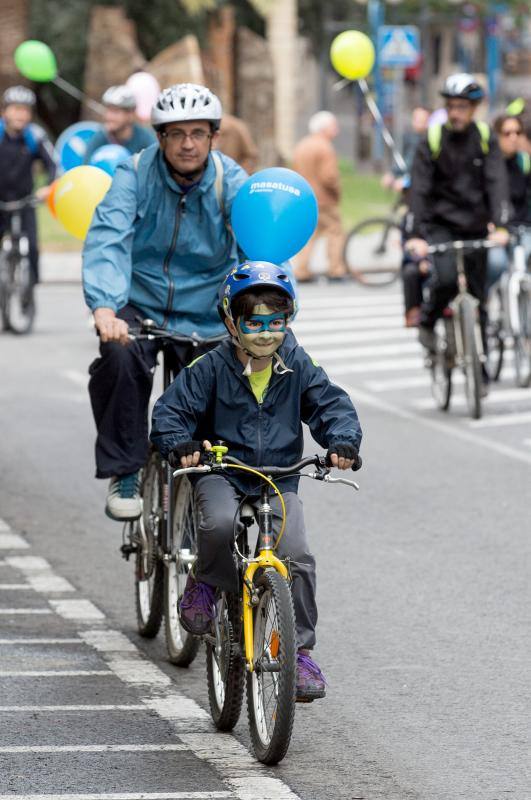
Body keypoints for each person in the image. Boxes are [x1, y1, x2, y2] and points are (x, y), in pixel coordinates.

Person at [150, 263, 363, 701]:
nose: (266, 333)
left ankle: (299, 652)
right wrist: (182, 443)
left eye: (276, 322)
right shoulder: (209, 367)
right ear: (231, 321)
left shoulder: (297, 364)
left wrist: (342, 440)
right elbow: (170, 412)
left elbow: (331, 404)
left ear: (289, 321)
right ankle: (206, 582)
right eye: (254, 323)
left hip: (279, 478)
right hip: (221, 471)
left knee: (297, 553)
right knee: (219, 524)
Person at [82, 83, 249, 521]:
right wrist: (104, 307)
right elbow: (108, 238)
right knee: (119, 360)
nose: (188, 143)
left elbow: (259, 245)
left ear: (213, 137)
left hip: (208, 310)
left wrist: (262, 309)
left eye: (198, 133)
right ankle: (126, 470)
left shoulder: (230, 180)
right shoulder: (133, 173)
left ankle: (224, 481)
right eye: (177, 133)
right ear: (160, 137)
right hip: (140, 303)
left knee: (231, 382)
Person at [405, 73, 510, 362]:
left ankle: (482, 371)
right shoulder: (434, 139)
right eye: (451, 106)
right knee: (447, 279)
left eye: (461, 107)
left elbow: (497, 183)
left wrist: (500, 225)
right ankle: (427, 322)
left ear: (473, 108)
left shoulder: (486, 138)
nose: (455, 112)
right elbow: (420, 189)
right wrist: (414, 235)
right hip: (442, 226)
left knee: (479, 296)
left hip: (476, 226)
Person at [0, 85, 56, 288]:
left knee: (31, 246)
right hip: (1, 200)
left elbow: (53, 164)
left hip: (25, 201)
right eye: (15, 108)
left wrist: (48, 186)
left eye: (25, 110)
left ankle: (29, 291)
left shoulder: (35, 137)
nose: (20, 114)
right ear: (4, 111)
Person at [292, 111, 347, 282]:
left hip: (305, 198)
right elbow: (329, 177)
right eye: (333, 127)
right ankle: (335, 270)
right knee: (335, 233)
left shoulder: (302, 145)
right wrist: (337, 192)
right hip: (324, 200)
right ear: (323, 128)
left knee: (309, 234)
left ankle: (301, 270)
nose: (336, 131)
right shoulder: (325, 147)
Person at [486, 114, 531, 289]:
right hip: (496, 229)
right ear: (497, 135)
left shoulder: (524, 161)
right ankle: (485, 306)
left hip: (523, 227)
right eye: (507, 133)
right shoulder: (487, 162)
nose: (513, 138)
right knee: (496, 264)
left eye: (517, 132)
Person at [83, 85, 156, 162]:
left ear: (130, 114)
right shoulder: (100, 137)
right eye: (108, 110)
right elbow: (86, 168)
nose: (109, 116)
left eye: (115, 112)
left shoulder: (144, 139)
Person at [381, 106, 430, 193]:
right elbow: (403, 159)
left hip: (418, 178)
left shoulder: (428, 141)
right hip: (406, 174)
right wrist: (393, 173)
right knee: (387, 180)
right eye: (416, 119)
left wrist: (407, 181)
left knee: (401, 185)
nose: (418, 122)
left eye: (421, 120)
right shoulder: (408, 138)